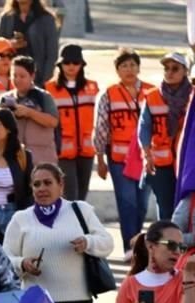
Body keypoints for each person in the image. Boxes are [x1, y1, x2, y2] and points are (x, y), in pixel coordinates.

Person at [3, 163, 114, 303]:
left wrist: (87, 242)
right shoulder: (21, 218)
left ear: (60, 185)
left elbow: (107, 243)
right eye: (37, 184)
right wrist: (22, 263)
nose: (42, 189)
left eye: (48, 182)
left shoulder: (81, 210)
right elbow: (5, 258)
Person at [94, 49, 154, 259]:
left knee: (142, 203)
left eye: (132, 65)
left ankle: (138, 241)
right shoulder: (108, 94)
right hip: (119, 159)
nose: (129, 70)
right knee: (127, 202)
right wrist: (100, 158)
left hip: (146, 158)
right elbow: (100, 127)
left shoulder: (151, 91)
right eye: (124, 66)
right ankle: (131, 248)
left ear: (138, 67)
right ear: (117, 70)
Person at [139, 52, 191, 222]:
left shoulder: (192, 97)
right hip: (161, 163)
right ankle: (167, 244)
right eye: (166, 68)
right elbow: (144, 127)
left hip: (187, 163)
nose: (169, 72)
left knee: (186, 208)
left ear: (186, 71)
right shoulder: (153, 96)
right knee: (165, 208)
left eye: (175, 68)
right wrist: (147, 155)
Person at [45, 44, 98, 201]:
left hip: (87, 149)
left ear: (81, 65)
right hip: (62, 151)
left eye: (76, 63)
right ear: (60, 65)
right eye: (67, 63)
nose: (71, 67)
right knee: (70, 194)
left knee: (82, 195)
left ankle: (79, 224)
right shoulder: (50, 89)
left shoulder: (92, 87)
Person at [0, 0, 59, 87]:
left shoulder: (46, 19)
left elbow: (52, 54)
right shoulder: (6, 18)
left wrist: (45, 81)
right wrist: (11, 44)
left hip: (36, 77)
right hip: (10, 78)